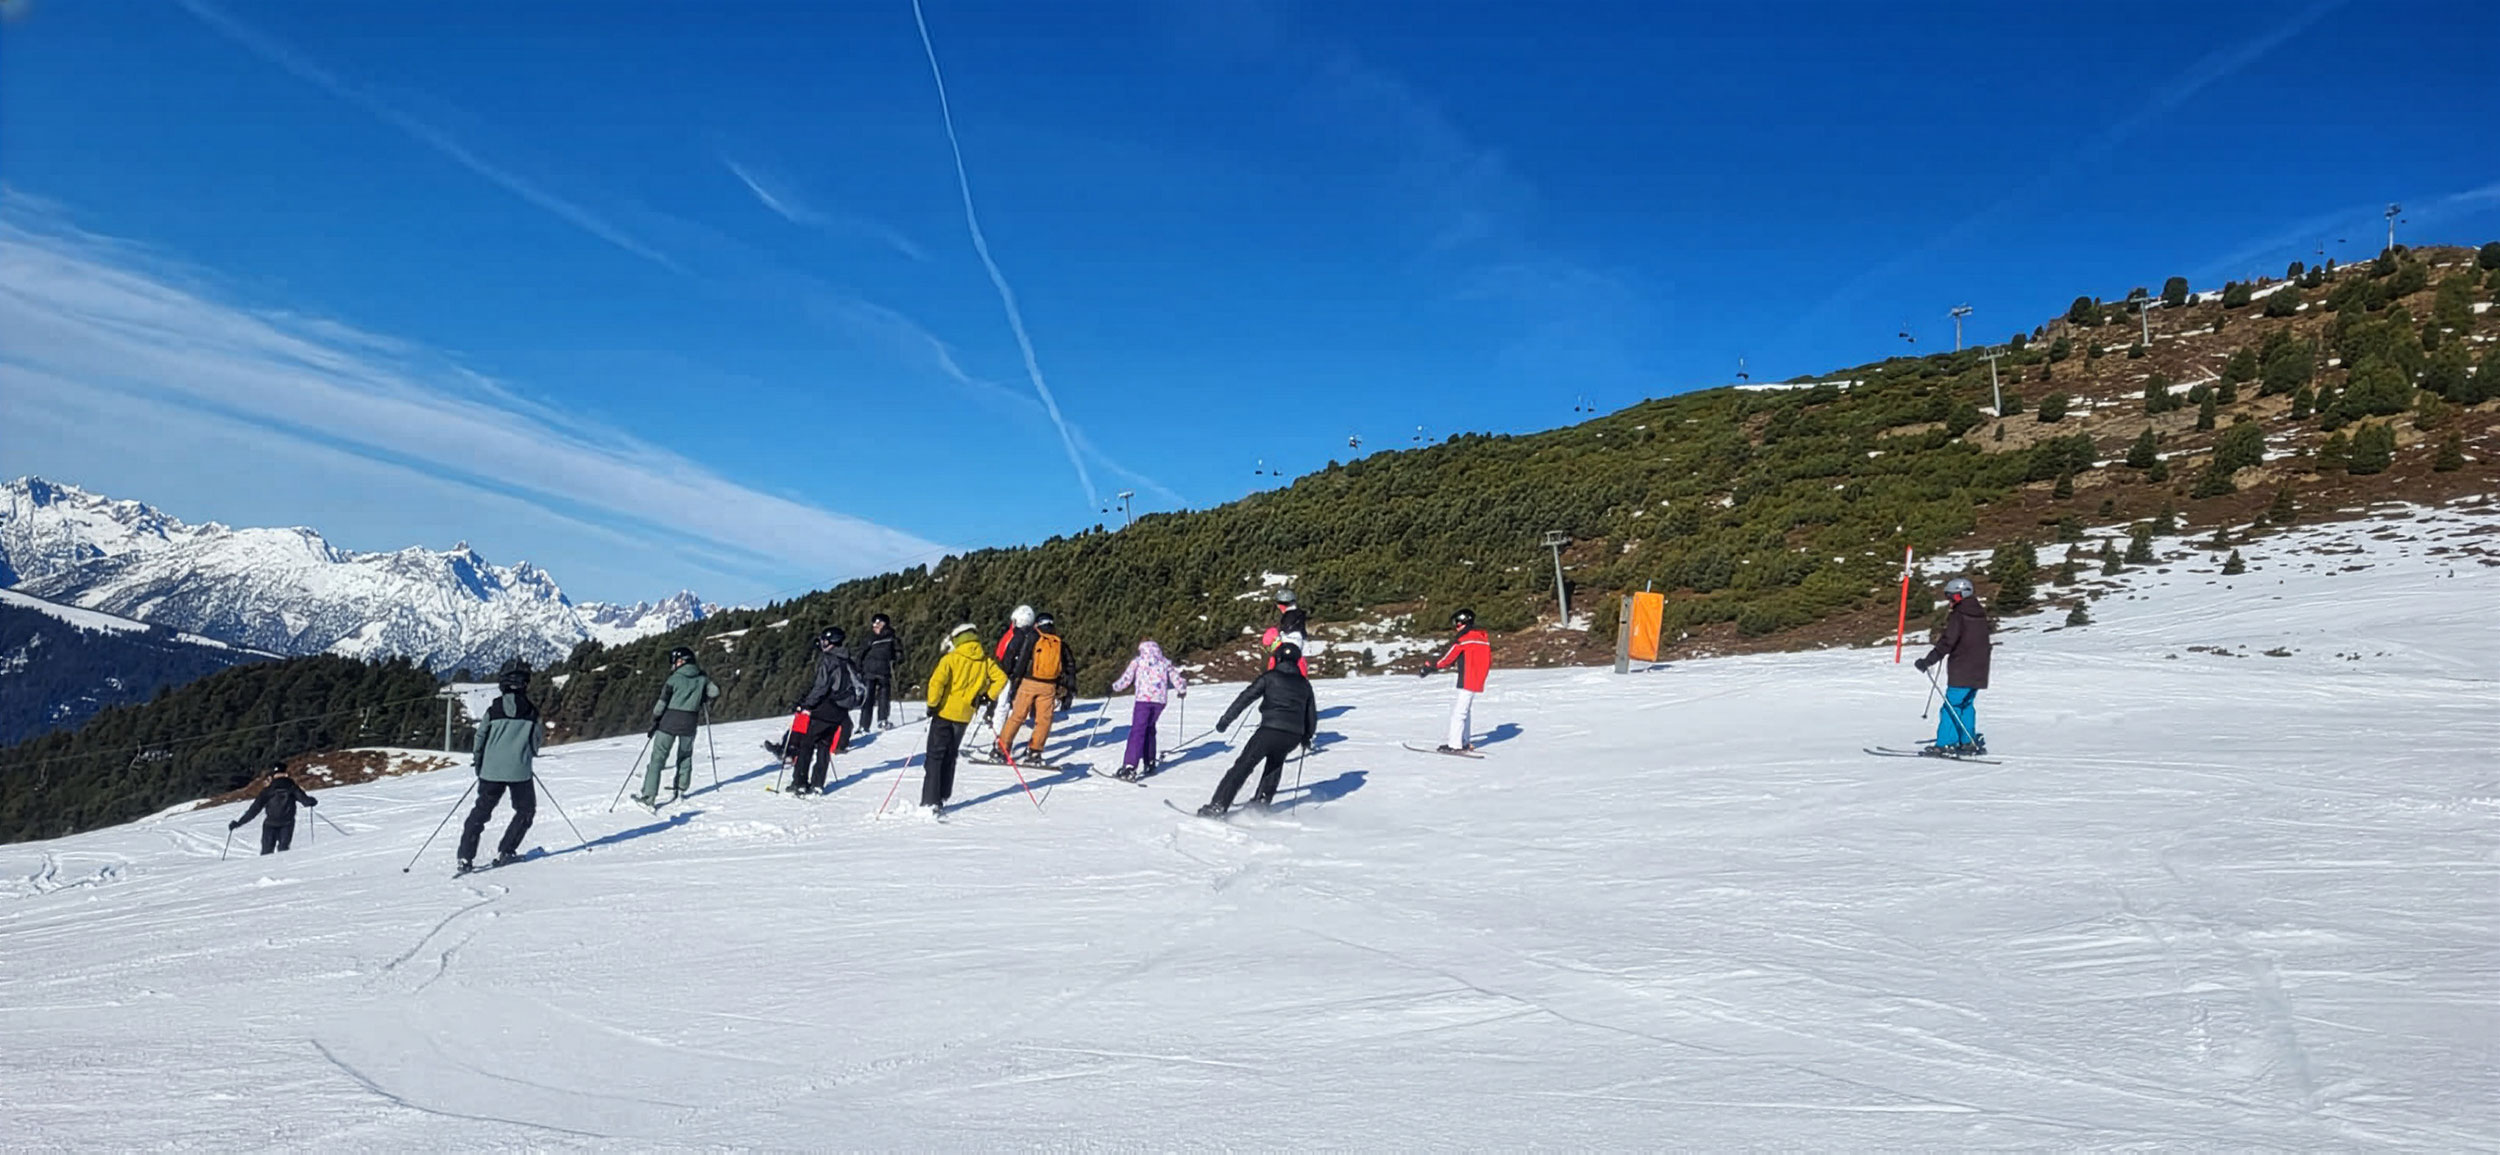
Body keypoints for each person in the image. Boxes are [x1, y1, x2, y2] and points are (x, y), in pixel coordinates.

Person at [1200, 641, 1317, 817]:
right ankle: (1261, 805)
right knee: (1275, 764)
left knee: (1243, 766)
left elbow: (1245, 698)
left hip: (1270, 729)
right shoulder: (1304, 684)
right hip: (1293, 735)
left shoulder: (1270, 677)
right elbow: (1311, 714)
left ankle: (1218, 805)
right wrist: (1307, 736)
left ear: (1278, 658)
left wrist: (1226, 720)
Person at [457, 665, 541, 872]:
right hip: (520, 771)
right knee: (525, 810)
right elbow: (536, 741)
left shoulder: (493, 710)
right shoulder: (532, 711)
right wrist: (525, 756)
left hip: (490, 771)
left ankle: (466, 857)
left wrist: (479, 762)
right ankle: (507, 850)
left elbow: (480, 737)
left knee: (481, 812)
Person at [922, 622, 1008, 815]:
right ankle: (943, 795)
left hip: (944, 713)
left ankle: (930, 801)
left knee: (935, 757)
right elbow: (1001, 679)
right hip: (965, 714)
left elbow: (937, 682)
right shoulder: (985, 660)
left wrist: (932, 705)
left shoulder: (951, 659)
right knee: (951, 754)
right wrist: (987, 696)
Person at [1914, 576, 1992, 755]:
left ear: (1961, 595)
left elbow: (1948, 641)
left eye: (1952, 597)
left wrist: (1928, 661)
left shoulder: (1960, 615)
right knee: (1965, 705)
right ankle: (1968, 741)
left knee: (1951, 706)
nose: (1949, 601)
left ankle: (1946, 743)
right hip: (1979, 669)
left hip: (1963, 668)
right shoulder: (1979, 614)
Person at [637, 645, 721, 807]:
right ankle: (681, 788)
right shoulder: (702, 678)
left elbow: (661, 704)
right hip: (690, 723)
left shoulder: (673, 679)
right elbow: (714, 692)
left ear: (682, 661)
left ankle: (649, 796)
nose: (673, 665)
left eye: (674, 662)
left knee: (658, 759)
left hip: (668, 722)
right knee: (685, 755)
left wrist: (655, 720)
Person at [784, 627, 863, 795]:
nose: (821, 643)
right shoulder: (848, 659)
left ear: (830, 642)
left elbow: (821, 687)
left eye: (824, 640)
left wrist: (806, 704)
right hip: (841, 710)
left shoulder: (829, 660)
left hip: (827, 707)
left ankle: (800, 782)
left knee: (807, 743)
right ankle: (818, 783)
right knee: (824, 745)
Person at [995, 610, 1073, 764]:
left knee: (1017, 716)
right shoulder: (1059, 641)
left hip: (1029, 682)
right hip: (1049, 686)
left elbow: (1024, 658)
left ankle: (1001, 749)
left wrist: (1015, 678)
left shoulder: (1033, 637)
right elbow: (1069, 665)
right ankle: (1035, 752)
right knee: (1044, 720)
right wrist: (1068, 689)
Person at [1109, 639, 1187, 780]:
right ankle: (1149, 761)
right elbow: (1176, 677)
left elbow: (1127, 678)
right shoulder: (1165, 662)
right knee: (1149, 728)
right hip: (1159, 701)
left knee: (1138, 731)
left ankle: (1130, 766)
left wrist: (1115, 687)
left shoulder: (1138, 661)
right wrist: (1181, 690)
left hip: (1143, 700)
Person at [1418, 608, 1490, 753]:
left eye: (1457, 623)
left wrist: (1430, 667)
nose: (1456, 627)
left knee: (1459, 713)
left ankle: (1455, 745)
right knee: (1466, 711)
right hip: (1478, 678)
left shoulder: (1464, 639)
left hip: (1468, 678)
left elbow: (1448, 658)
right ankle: (1464, 741)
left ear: (1464, 622)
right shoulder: (1482, 639)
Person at [231, 761, 316, 855]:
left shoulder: (268, 790)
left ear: (273, 775)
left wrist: (239, 823)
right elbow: (306, 801)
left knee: (266, 853)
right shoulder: (292, 787)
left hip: (270, 824)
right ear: (285, 773)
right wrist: (311, 801)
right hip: (287, 824)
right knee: (283, 850)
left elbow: (254, 810)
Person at [854, 613, 904, 733]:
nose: (875, 625)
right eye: (874, 623)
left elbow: (899, 653)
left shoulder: (891, 638)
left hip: (884, 671)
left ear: (885, 624)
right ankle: (864, 725)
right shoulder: (869, 637)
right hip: (869, 671)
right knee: (868, 698)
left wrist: (895, 659)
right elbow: (861, 653)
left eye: (879, 623)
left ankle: (882, 720)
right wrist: (858, 667)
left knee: (884, 697)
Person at [1261, 589, 1311, 675]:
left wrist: (1276, 644)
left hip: (1288, 661)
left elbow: (1291, 640)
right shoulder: (1296, 616)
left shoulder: (1290, 618)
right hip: (1297, 661)